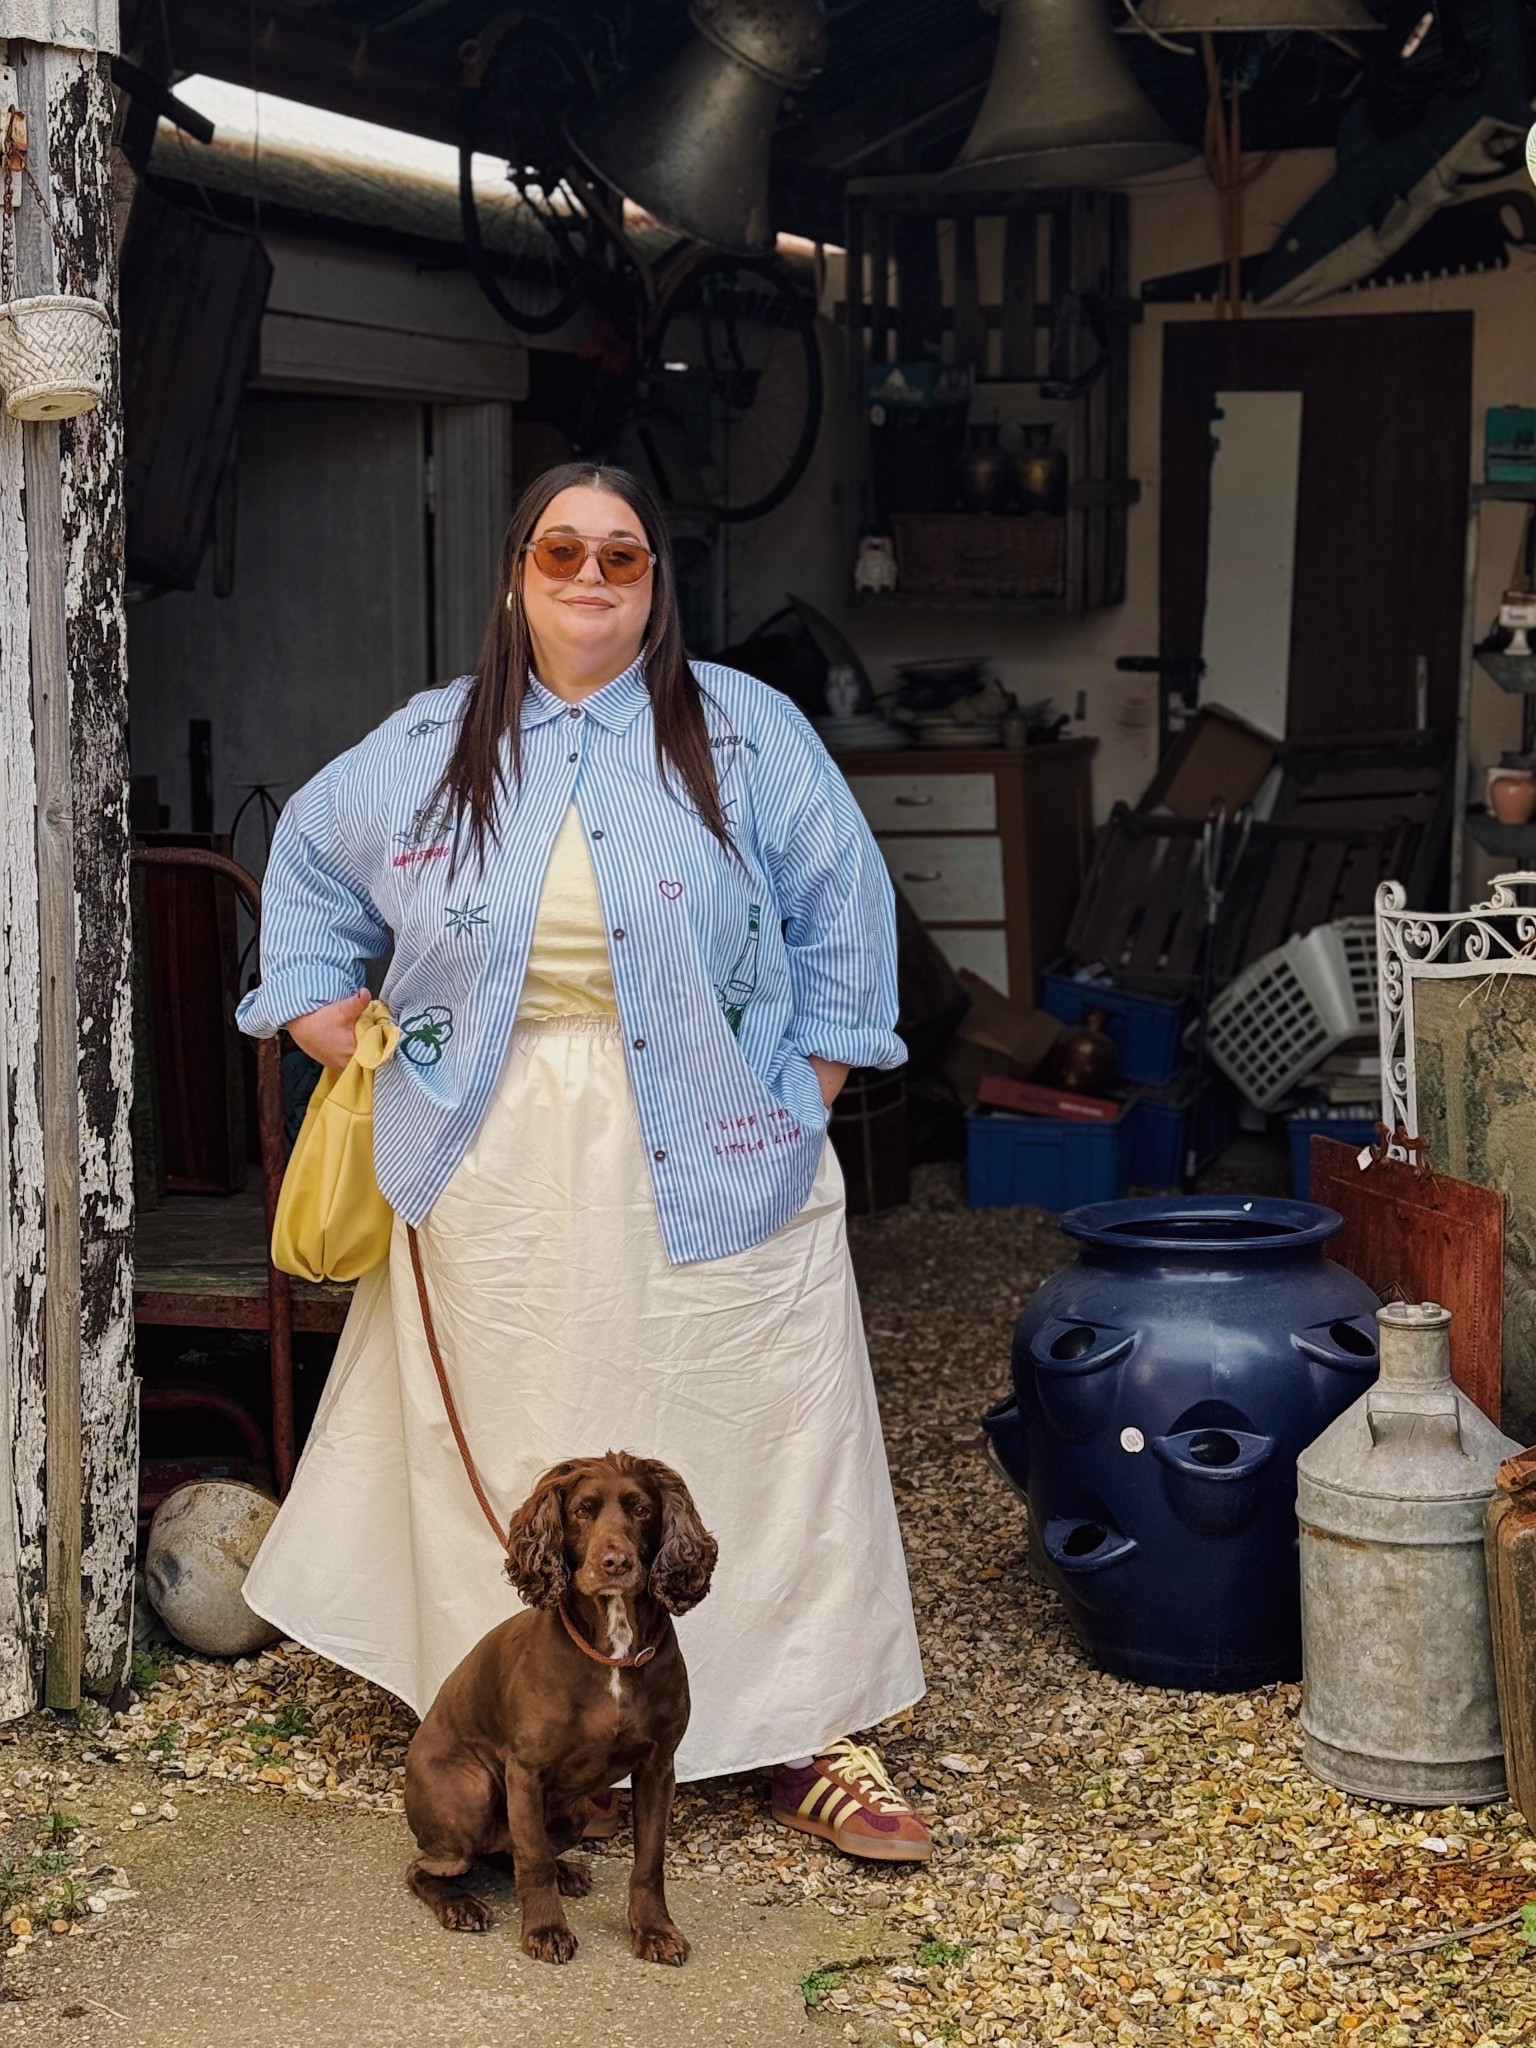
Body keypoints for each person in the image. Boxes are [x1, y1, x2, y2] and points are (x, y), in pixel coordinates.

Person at [236, 462, 930, 1861]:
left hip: (722, 1135)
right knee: (515, 1420)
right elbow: (307, 855)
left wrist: (812, 1082)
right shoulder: (435, 741)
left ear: (655, 584)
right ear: (517, 574)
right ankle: (528, 1725)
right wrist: (319, 1009)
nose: (592, 576)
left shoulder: (747, 732)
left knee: (757, 1419)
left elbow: (845, 901)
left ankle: (799, 1731)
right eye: (563, 550)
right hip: (495, 1145)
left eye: (623, 556)